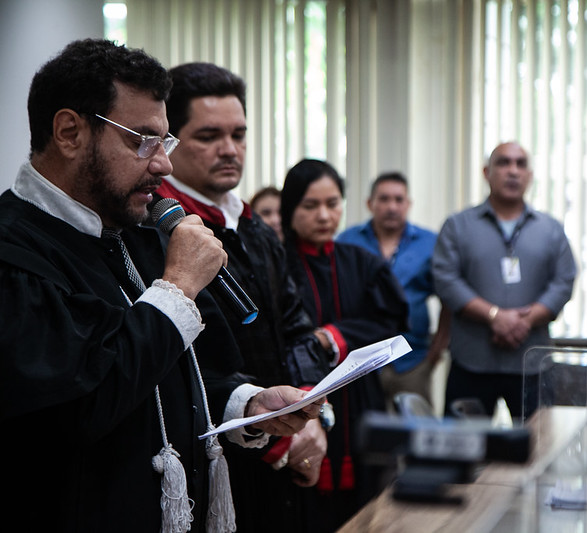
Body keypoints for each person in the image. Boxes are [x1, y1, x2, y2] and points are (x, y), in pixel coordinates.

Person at [0, 39, 322, 532]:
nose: (162, 164)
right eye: (141, 140)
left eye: (165, 141)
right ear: (69, 132)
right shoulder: (15, 253)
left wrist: (247, 404)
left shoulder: (132, 233)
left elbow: (170, 376)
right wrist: (175, 289)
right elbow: (79, 406)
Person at [154, 62, 331, 532]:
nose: (230, 149)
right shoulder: (157, 230)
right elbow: (186, 365)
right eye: (209, 135)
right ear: (170, 139)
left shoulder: (253, 225)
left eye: (239, 133)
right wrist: (278, 437)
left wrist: (312, 415)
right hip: (212, 456)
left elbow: (296, 328)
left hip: (285, 439)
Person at [281, 158, 409, 532]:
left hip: (360, 398)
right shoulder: (276, 262)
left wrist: (335, 336)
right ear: (291, 209)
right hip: (296, 400)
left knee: (369, 507)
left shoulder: (362, 262)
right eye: (311, 205)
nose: (324, 215)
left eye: (333, 203)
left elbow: (393, 320)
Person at [432, 141, 577, 419]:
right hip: (472, 362)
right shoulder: (458, 225)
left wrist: (525, 320)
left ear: (530, 176)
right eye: (503, 163)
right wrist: (494, 316)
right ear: (486, 172)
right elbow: (446, 279)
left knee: (537, 452)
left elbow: (564, 280)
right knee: (462, 453)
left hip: (532, 363)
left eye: (520, 164)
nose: (513, 171)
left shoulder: (550, 228)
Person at [337, 172, 450, 407]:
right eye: (384, 199)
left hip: (413, 360)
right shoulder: (347, 241)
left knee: (414, 435)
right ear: (370, 203)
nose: (392, 207)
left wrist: (436, 350)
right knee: (365, 434)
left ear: (408, 204)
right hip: (361, 360)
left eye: (399, 200)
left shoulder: (429, 242)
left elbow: (448, 298)